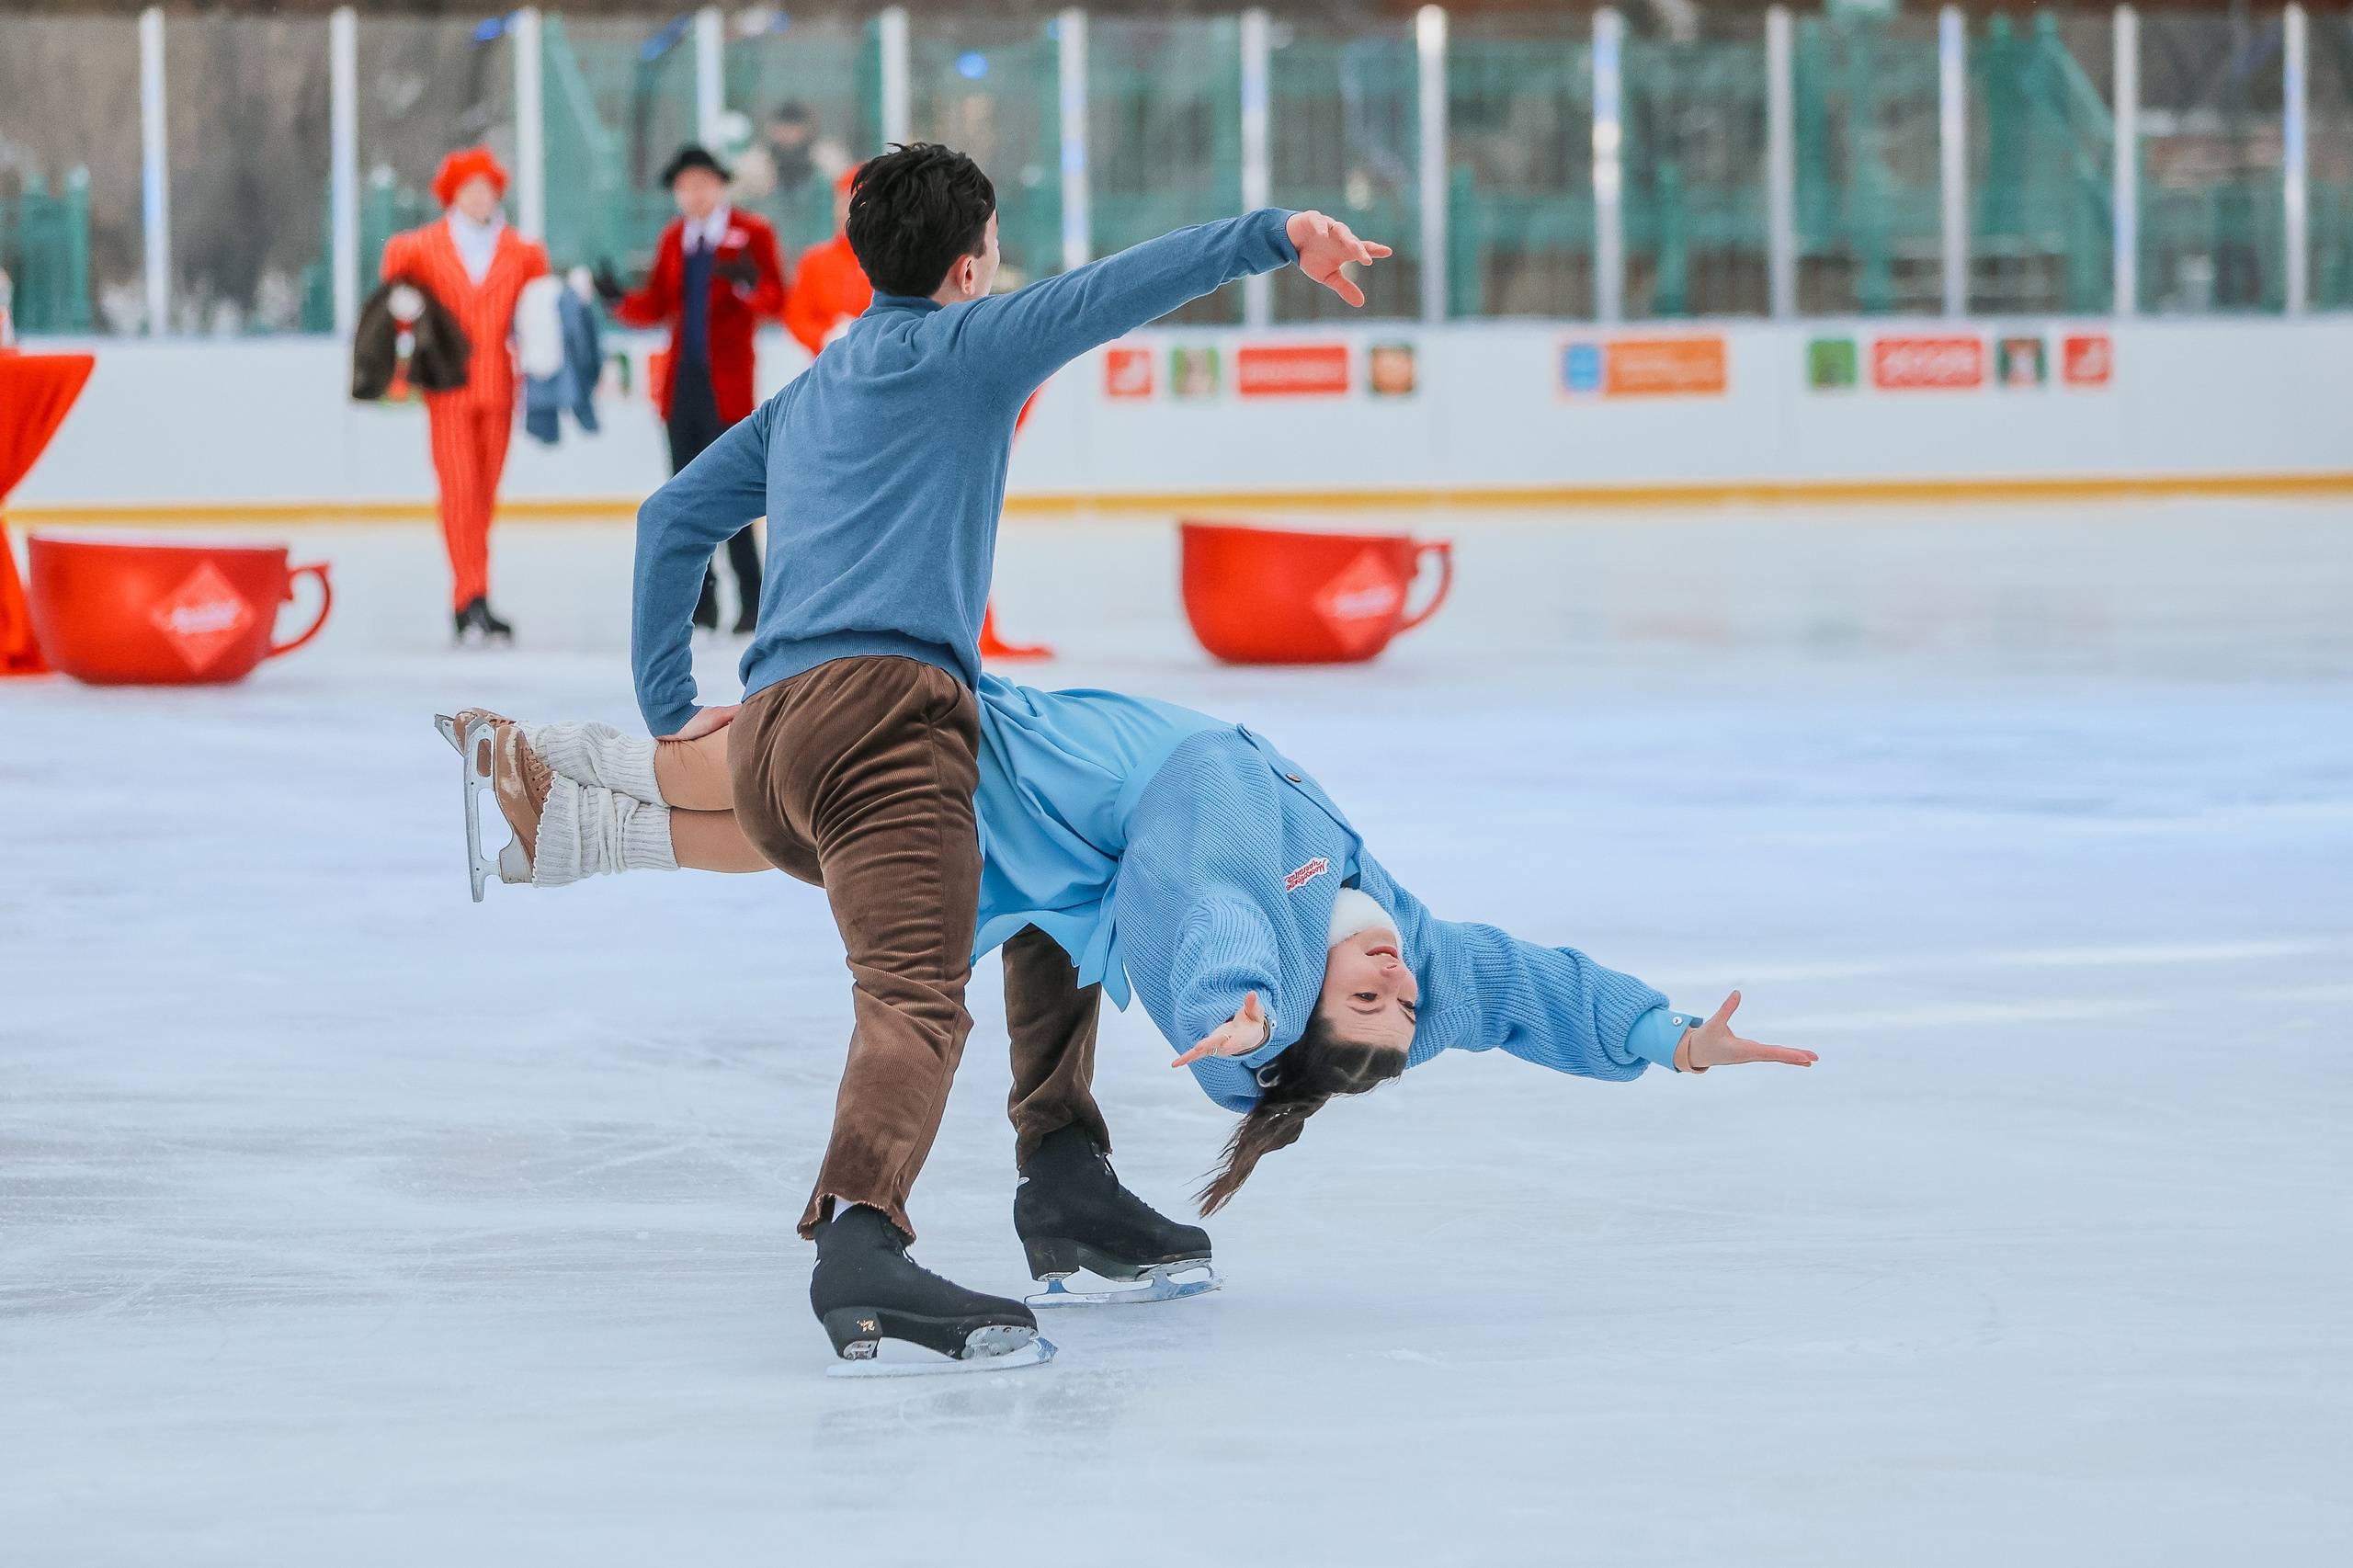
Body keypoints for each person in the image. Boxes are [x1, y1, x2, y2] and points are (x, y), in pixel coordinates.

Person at [579, 142, 1389, 1372]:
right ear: (970, 266)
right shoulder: (973, 344)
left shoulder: (818, 385)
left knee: (1065, 842)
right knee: (911, 995)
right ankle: (859, 1241)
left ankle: (1063, 1174)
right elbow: (1124, 286)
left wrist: (665, 698)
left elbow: (669, 518)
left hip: (778, 737)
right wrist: (1278, 234)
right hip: (885, 729)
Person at [441, 676, 1813, 1342]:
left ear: (1306, 1006)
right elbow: (1535, 993)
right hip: (1070, 858)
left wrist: (1237, 1001)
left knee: (837, 765)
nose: (1398, 978)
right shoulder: (1427, 958)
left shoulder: (1261, 930)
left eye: (1368, 999)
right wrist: (1669, 1036)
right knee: (827, 824)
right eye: (1401, 998)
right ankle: (583, 836)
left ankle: (587, 764)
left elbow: (1211, 886)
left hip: (1047, 778)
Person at [603, 146, 789, 634]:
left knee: (735, 496)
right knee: (685, 498)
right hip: (681, 386)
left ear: (721, 185)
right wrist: (619, 301)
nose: (694, 194)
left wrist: (749, 285)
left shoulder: (752, 233)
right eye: (685, 186)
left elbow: (775, 299)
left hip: (727, 388)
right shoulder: (674, 239)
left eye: (703, 183)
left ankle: (753, 599)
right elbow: (658, 306)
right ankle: (701, 603)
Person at [381, 147, 549, 644]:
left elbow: (537, 315)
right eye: (468, 187)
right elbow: (393, 279)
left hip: (499, 386)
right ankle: (470, 596)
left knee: (484, 495)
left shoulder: (521, 252)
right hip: (447, 386)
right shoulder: (422, 247)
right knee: (459, 494)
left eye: (487, 187)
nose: (480, 196)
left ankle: (473, 596)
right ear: (451, 194)